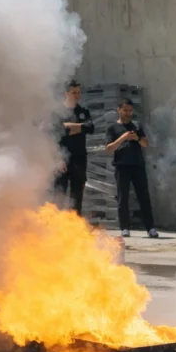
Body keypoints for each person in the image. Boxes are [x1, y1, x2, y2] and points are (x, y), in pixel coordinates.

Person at [105, 98, 157, 238]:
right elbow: (109, 148)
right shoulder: (113, 128)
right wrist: (123, 138)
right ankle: (125, 227)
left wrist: (136, 139)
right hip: (122, 166)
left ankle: (150, 227)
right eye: (125, 110)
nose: (128, 113)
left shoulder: (136, 127)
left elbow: (145, 143)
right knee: (123, 197)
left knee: (143, 197)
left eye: (130, 110)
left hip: (137, 165)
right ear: (119, 110)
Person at [54, 80, 95, 217]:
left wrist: (68, 126)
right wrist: (58, 158)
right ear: (66, 93)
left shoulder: (83, 112)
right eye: (74, 93)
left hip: (79, 158)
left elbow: (90, 128)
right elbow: (53, 134)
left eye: (79, 92)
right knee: (58, 196)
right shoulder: (58, 112)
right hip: (62, 160)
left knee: (77, 196)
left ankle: (74, 226)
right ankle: (55, 227)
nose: (77, 95)